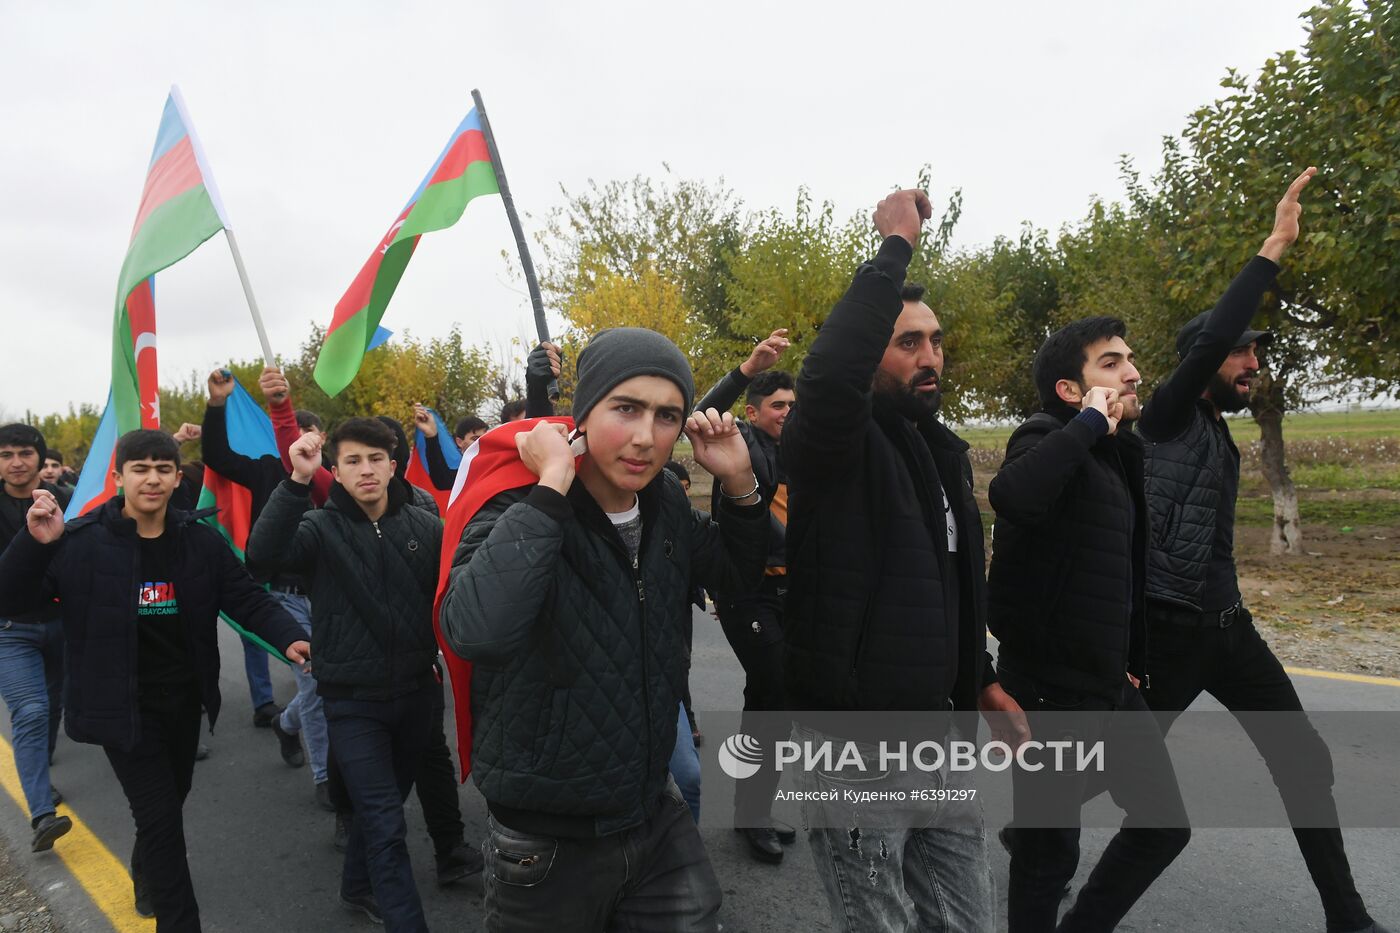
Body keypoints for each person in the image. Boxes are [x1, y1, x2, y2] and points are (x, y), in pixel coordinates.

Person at [440, 327, 768, 932]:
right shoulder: (517, 504)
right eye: (626, 408)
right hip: (547, 836)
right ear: (585, 411)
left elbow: (738, 577)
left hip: (651, 809)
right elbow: (476, 630)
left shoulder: (665, 499)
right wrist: (551, 487)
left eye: (667, 415)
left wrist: (741, 486)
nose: (645, 436)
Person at [1138, 169, 1389, 933]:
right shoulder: (1168, 417)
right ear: (1204, 359)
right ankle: (1031, 838)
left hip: (1227, 631)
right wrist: (1276, 244)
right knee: (1102, 767)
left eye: (1256, 354)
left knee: (1303, 759)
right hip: (1167, 634)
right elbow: (1217, 332)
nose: (1253, 365)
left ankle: (1347, 915)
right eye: (1241, 354)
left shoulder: (1219, 433)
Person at [781, 190, 1026, 932]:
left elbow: (945, 588)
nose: (930, 357)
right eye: (908, 342)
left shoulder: (940, 452)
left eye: (936, 341)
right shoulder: (836, 448)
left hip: (940, 740)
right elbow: (827, 380)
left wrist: (980, 679)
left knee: (969, 922)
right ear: (870, 354)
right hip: (855, 749)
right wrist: (893, 251)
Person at [0, 429, 309, 930]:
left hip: (184, 703)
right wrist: (34, 545)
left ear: (176, 477)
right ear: (118, 477)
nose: (152, 479)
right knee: (162, 821)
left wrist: (291, 636)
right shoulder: (79, 542)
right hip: (121, 708)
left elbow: (245, 597)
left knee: (171, 800)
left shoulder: (200, 541)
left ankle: (146, 868)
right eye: (140, 469)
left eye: (163, 469)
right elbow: (11, 599)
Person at [988, 318, 1190, 931]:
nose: (1133, 372)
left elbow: (1124, 569)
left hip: (1107, 682)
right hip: (1050, 688)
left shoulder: (1115, 454)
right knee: (1047, 858)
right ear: (1071, 390)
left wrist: (1132, 660)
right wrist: (1088, 425)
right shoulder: (1046, 435)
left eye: (1130, 359)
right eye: (1111, 362)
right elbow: (1014, 495)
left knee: (1163, 824)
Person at [248, 418, 447, 931]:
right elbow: (261, 558)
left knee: (384, 808)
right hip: (352, 701)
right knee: (385, 820)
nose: (366, 470)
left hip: (415, 694)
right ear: (334, 472)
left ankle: (357, 886)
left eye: (375, 459)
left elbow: (452, 596)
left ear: (392, 466)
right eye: (353, 461)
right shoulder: (318, 529)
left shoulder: (426, 527)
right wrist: (296, 480)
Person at [695, 330, 799, 862]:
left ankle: (752, 809)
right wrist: (746, 370)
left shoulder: (802, 450)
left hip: (792, 591)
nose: (788, 412)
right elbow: (700, 415)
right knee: (773, 693)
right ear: (755, 413)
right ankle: (751, 815)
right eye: (778, 405)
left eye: (793, 405)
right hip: (747, 591)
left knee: (772, 701)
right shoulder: (739, 443)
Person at [200, 369, 290, 731]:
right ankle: (264, 702)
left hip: (314, 579)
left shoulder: (331, 473)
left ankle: (299, 717)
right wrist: (217, 404)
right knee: (255, 636)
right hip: (267, 576)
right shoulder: (267, 469)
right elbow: (217, 456)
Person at [0, 424, 71, 852]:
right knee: (30, 710)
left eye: (25, 453)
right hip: (9, 629)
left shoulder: (66, 499)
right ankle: (43, 813)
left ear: (39, 458)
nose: (16, 463)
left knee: (53, 704)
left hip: (61, 622)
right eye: (5, 454)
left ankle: (38, 768)